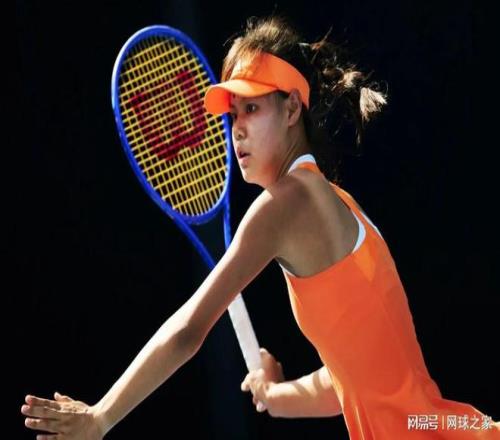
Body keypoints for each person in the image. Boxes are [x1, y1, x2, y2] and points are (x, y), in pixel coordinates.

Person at [21, 15, 499, 440]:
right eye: (232, 115)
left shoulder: (283, 203)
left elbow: (189, 330)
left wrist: (101, 417)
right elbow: (352, 379)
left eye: (251, 108)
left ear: (292, 110)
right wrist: (276, 395)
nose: (237, 129)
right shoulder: (335, 201)